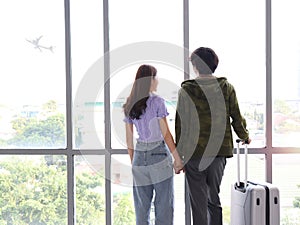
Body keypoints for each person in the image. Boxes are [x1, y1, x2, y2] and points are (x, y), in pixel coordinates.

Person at [175, 47, 251, 225]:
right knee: (213, 197)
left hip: (194, 154)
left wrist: (180, 155)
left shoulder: (186, 90)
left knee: (198, 202)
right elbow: (236, 118)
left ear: (196, 66)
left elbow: (180, 125)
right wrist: (244, 135)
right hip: (218, 152)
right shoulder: (226, 88)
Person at [123, 64, 183, 225]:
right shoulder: (157, 102)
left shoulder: (130, 104)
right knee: (164, 205)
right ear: (150, 80)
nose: (157, 81)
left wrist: (135, 163)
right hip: (159, 155)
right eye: (155, 77)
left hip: (138, 158)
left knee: (141, 209)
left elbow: (129, 140)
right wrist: (177, 159)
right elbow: (166, 134)